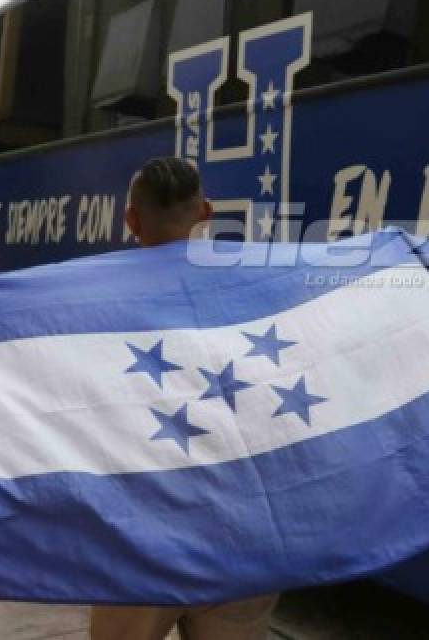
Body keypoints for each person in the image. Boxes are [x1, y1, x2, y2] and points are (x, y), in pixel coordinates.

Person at [90, 156, 279, 640]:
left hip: (144, 534)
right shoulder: (256, 289)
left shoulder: (93, 303)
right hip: (242, 530)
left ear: (131, 219)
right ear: (206, 211)